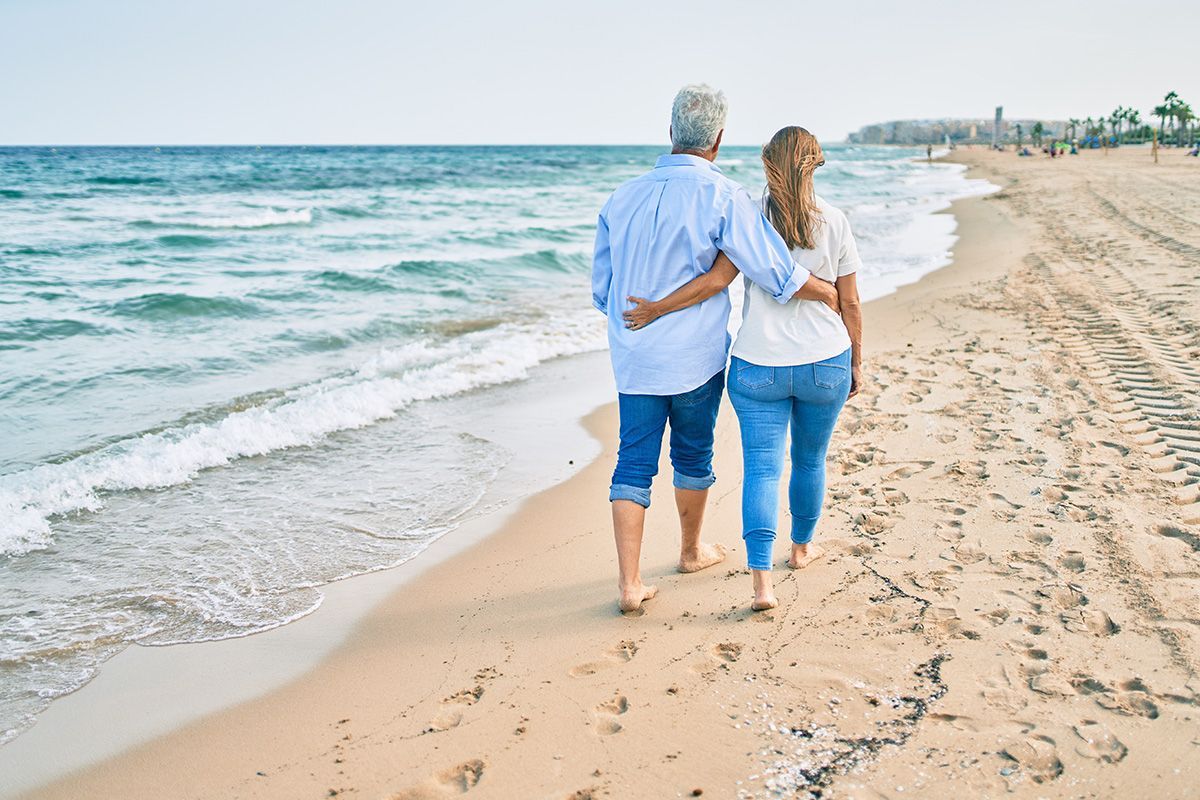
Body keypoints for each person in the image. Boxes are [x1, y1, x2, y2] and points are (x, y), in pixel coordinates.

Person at [591, 86, 839, 614]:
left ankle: (630, 585)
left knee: (632, 464)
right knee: (693, 454)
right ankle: (689, 551)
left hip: (635, 358)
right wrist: (825, 290)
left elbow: (600, 290)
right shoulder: (723, 196)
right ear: (719, 141)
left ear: (670, 133)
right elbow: (771, 269)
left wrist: (643, 313)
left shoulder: (619, 197)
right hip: (695, 357)